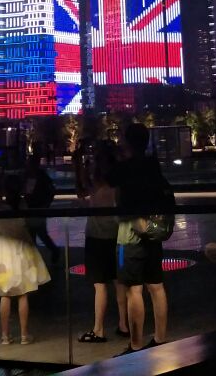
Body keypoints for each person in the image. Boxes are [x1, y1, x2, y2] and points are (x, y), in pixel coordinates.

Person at [109, 121, 170, 356]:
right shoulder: (152, 165)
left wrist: (115, 156)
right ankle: (160, 339)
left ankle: (135, 345)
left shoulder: (125, 167)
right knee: (156, 286)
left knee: (132, 289)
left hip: (129, 237)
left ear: (127, 142)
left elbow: (109, 178)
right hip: (153, 233)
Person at [0, 174, 51, 345]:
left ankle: (5, 336)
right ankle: (24, 335)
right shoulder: (23, 207)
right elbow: (29, 226)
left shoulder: (0, 210)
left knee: (5, 295)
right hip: (21, 250)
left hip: (3, 251)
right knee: (23, 294)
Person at [78, 140, 128, 343]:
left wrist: (79, 165)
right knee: (120, 282)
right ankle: (124, 324)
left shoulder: (95, 186)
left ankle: (98, 329)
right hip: (118, 238)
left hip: (96, 238)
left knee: (99, 285)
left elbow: (81, 190)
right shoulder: (119, 186)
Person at [23, 154, 61, 265]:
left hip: (37, 207)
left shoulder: (40, 176)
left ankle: (37, 256)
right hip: (32, 207)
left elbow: (51, 190)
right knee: (37, 232)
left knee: (37, 232)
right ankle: (47, 252)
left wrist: (46, 204)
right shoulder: (29, 175)